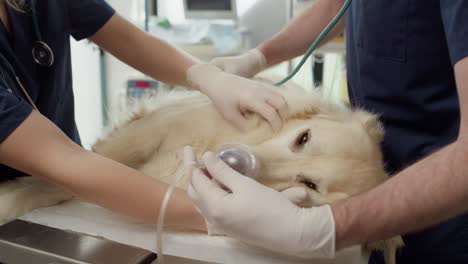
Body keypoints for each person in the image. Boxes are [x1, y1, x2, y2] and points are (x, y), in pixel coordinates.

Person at [186, 0, 468, 263]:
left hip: (445, 222)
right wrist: (257, 57)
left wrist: (324, 228)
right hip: (365, 216)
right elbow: (340, 5)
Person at [0, 0, 289, 231]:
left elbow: (127, 38)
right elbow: (65, 161)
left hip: (63, 190)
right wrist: (215, 216)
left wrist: (205, 76)